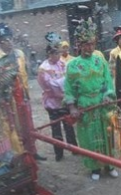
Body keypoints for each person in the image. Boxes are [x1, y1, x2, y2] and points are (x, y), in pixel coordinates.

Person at [64, 18, 118, 181]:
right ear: (80, 45)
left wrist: (108, 95)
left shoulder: (100, 60)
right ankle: (94, 168)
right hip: (86, 106)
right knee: (89, 137)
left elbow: (108, 79)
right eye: (86, 44)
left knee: (107, 135)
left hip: (102, 105)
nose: (90, 47)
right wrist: (72, 107)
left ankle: (110, 164)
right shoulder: (73, 65)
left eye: (92, 44)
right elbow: (69, 88)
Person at [0, 23, 47, 161]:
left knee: (28, 124)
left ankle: (33, 151)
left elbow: (24, 73)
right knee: (16, 125)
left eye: (10, 38)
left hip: (24, 94)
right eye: (4, 40)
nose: (8, 42)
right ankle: (22, 152)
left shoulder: (19, 54)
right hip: (11, 97)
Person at [37, 32, 78, 162]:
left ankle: (74, 149)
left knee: (69, 126)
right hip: (53, 104)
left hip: (65, 101)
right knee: (56, 129)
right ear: (49, 54)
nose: (58, 56)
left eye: (59, 53)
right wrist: (62, 94)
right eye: (55, 53)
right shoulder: (43, 68)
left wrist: (68, 94)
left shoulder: (62, 64)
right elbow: (48, 87)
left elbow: (69, 80)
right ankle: (59, 153)